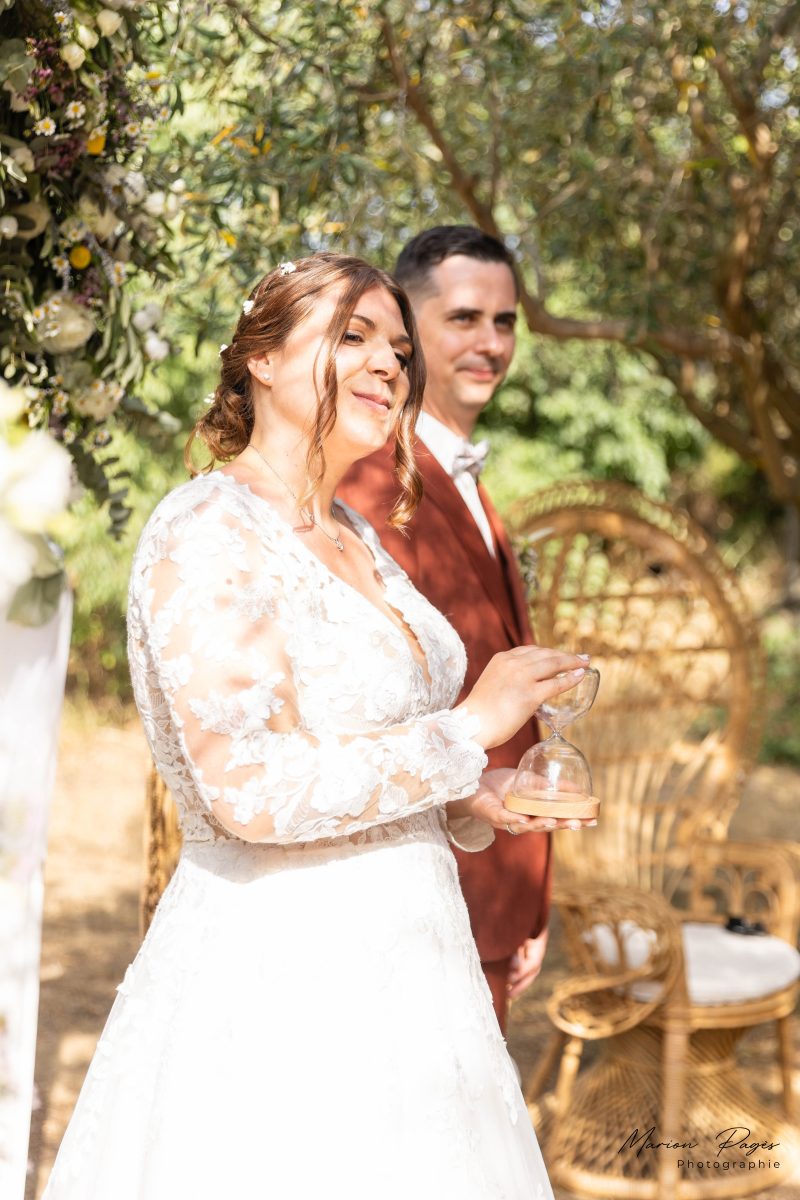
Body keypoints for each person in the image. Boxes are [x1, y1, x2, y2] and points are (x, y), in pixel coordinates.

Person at [43, 253, 588, 1199]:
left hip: (421, 976)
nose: (389, 365)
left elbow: (364, 748)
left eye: (400, 351)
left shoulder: (358, 536)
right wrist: (468, 731)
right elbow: (250, 793)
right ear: (261, 358)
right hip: (282, 980)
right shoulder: (206, 529)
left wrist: (470, 794)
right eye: (352, 336)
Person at [340, 226, 587, 1032]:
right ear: (407, 332)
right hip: (425, 892)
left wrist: (530, 892)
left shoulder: (469, 481)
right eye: (464, 319)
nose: (491, 343)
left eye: (505, 322)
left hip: (499, 879)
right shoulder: (367, 483)